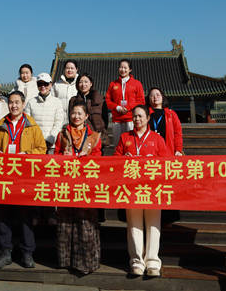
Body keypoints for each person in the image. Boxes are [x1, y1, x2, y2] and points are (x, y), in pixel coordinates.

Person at [0, 90, 46, 269]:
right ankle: (5, 252)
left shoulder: (32, 126)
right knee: (3, 215)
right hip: (4, 178)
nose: (14, 105)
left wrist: (26, 154)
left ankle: (27, 253)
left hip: (24, 178)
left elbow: (41, 149)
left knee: (26, 215)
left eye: (17, 102)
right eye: (11, 102)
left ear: (23, 104)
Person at [114, 104, 169, 277]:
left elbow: (167, 162)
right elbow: (115, 160)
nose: (137, 119)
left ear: (147, 118)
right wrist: (123, 159)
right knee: (134, 225)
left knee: (153, 225)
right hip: (131, 188)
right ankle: (137, 261)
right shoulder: (125, 137)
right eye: (134, 116)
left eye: (140, 116)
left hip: (153, 188)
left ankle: (152, 262)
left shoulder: (157, 139)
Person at [54, 101, 102, 275]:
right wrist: (63, 156)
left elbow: (99, 158)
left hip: (86, 184)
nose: (76, 116)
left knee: (85, 222)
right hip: (66, 183)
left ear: (86, 116)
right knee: (66, 221)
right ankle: (66, 261)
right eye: (73, 113)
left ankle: (86, 263)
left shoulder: (94, 136)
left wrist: (87, 158)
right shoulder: (62, 134)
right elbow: (55, 157)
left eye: (80, 113)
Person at [106, 59, 145, 147]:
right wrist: (117, 107)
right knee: (118, 145)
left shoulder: (137, 84)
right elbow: (108, 100)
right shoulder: (113, 84)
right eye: (121, 67)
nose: (122, 70)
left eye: (125, 68)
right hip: (117, 119)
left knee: (131, 145)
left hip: (131, 119)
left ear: (130, 69)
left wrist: (128, 108)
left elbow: (141, 101)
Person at [24, 73, 64, 154]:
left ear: (50, 84)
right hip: (35, 145)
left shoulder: (57, 102)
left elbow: (58, 123)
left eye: (45, 84)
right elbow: (27, 123)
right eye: (40, 84)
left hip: (51, 146)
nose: (43, 86)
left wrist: (50, 139)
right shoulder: (31, 102)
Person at [147, 87, 183, 156]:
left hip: (168, 151)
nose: (155, 97)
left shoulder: (171, 114)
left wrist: (178, 149)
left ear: (162, 97)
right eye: (152, 95)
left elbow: (177, 133)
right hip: (149, 152)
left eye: (158, 95)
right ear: (148, 99)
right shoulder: (145, 114)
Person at [69, 73, 107, 138]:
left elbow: (105, 119)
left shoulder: (100, 99)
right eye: (80, 82)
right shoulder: (73, 100)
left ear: (91, 84)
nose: (83, 84)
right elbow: (71, 119)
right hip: (78, 136)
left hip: (98, 136)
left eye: (86, 82)